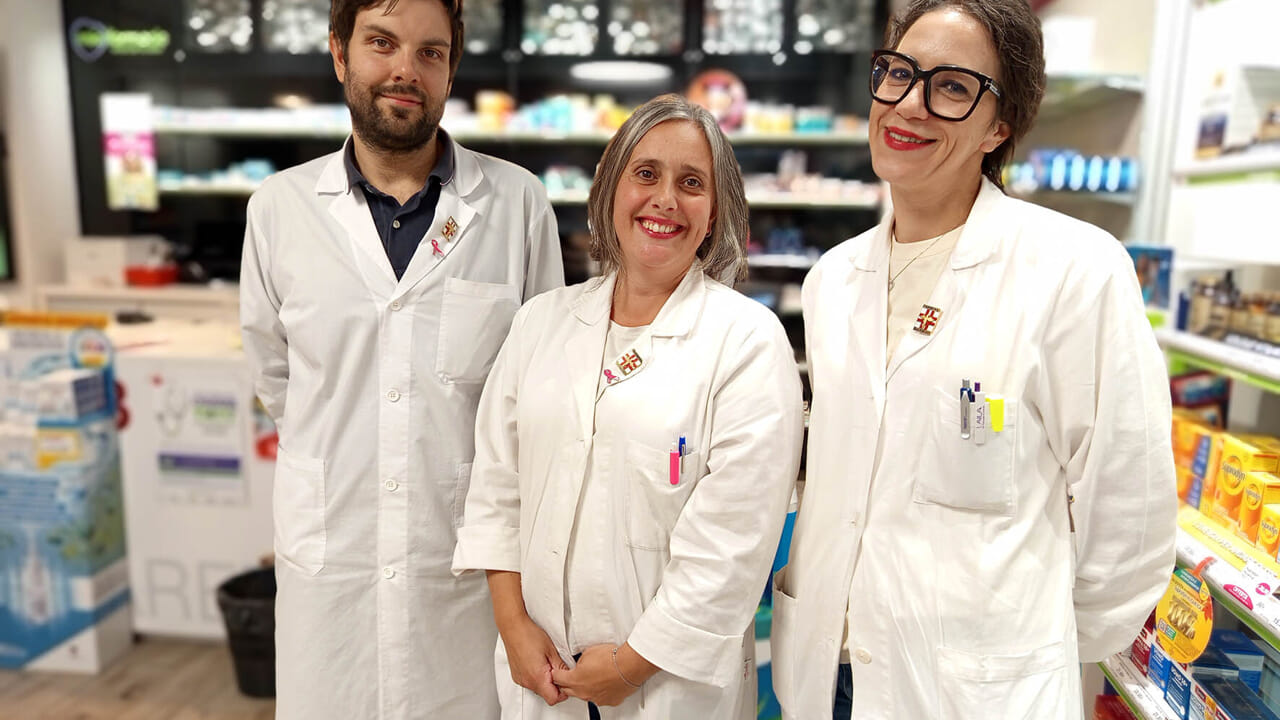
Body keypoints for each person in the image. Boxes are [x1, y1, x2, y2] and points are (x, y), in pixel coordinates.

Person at [769, 2, 1177, 719]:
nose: (909, 104)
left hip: (976, 690)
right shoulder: (833, 278)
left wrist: (1026, 651)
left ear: (1000, 126)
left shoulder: (1074, 269)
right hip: (828, 671)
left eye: (952, 87)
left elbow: (1130, 514)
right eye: (898, 73)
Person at [238, 0, 563, 717]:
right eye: (381, 43)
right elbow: (275, 374)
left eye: (430, 52)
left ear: (451, 67)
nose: (405, 71)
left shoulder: (516, 204)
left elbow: (540, 387)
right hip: (333, 562)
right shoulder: (279, 209)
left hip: (464, 570)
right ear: (339, 53)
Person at [452, 94, 804, 720]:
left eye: (691, 183)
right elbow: (496, 490)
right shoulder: (541, 322)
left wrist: (630, 666)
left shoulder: (745, 340)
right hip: (541, 678)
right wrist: (514, 627)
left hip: (669, 688)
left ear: (715, 212)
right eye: (646, 174)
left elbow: (733, 542)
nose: (665, 199)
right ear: (610, 189)